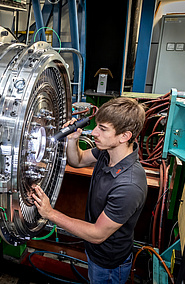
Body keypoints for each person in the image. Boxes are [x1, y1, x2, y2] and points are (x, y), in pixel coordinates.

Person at [32, 97, 147, 284]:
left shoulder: (129, 186)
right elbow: (77, 161)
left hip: (109, 264)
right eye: (96, 126)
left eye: (102, 129)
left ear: (124, 136)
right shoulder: (107, 152)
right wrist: (72, 140)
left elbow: (97, 234)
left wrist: (50, 213)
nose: (94, 133)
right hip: (95, 254)